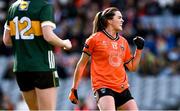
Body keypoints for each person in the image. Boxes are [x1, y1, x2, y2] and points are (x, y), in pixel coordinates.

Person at [69, 7, 144, 110]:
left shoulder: (123, 42)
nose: (122, 20)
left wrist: (139, 50)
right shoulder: (94, 39)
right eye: (119, 17)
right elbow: (81, 64)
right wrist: (74, 89)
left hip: (122, 88)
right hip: (103, 87)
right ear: (109, 20)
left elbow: (132, 67)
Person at [3, 0, 72, 110]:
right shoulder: (44, 6)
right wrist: (64, 43)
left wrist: (25, 43)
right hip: (43, 65)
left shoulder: (13, 8)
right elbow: (48, 36)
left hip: (21, 67)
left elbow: (6, 40)